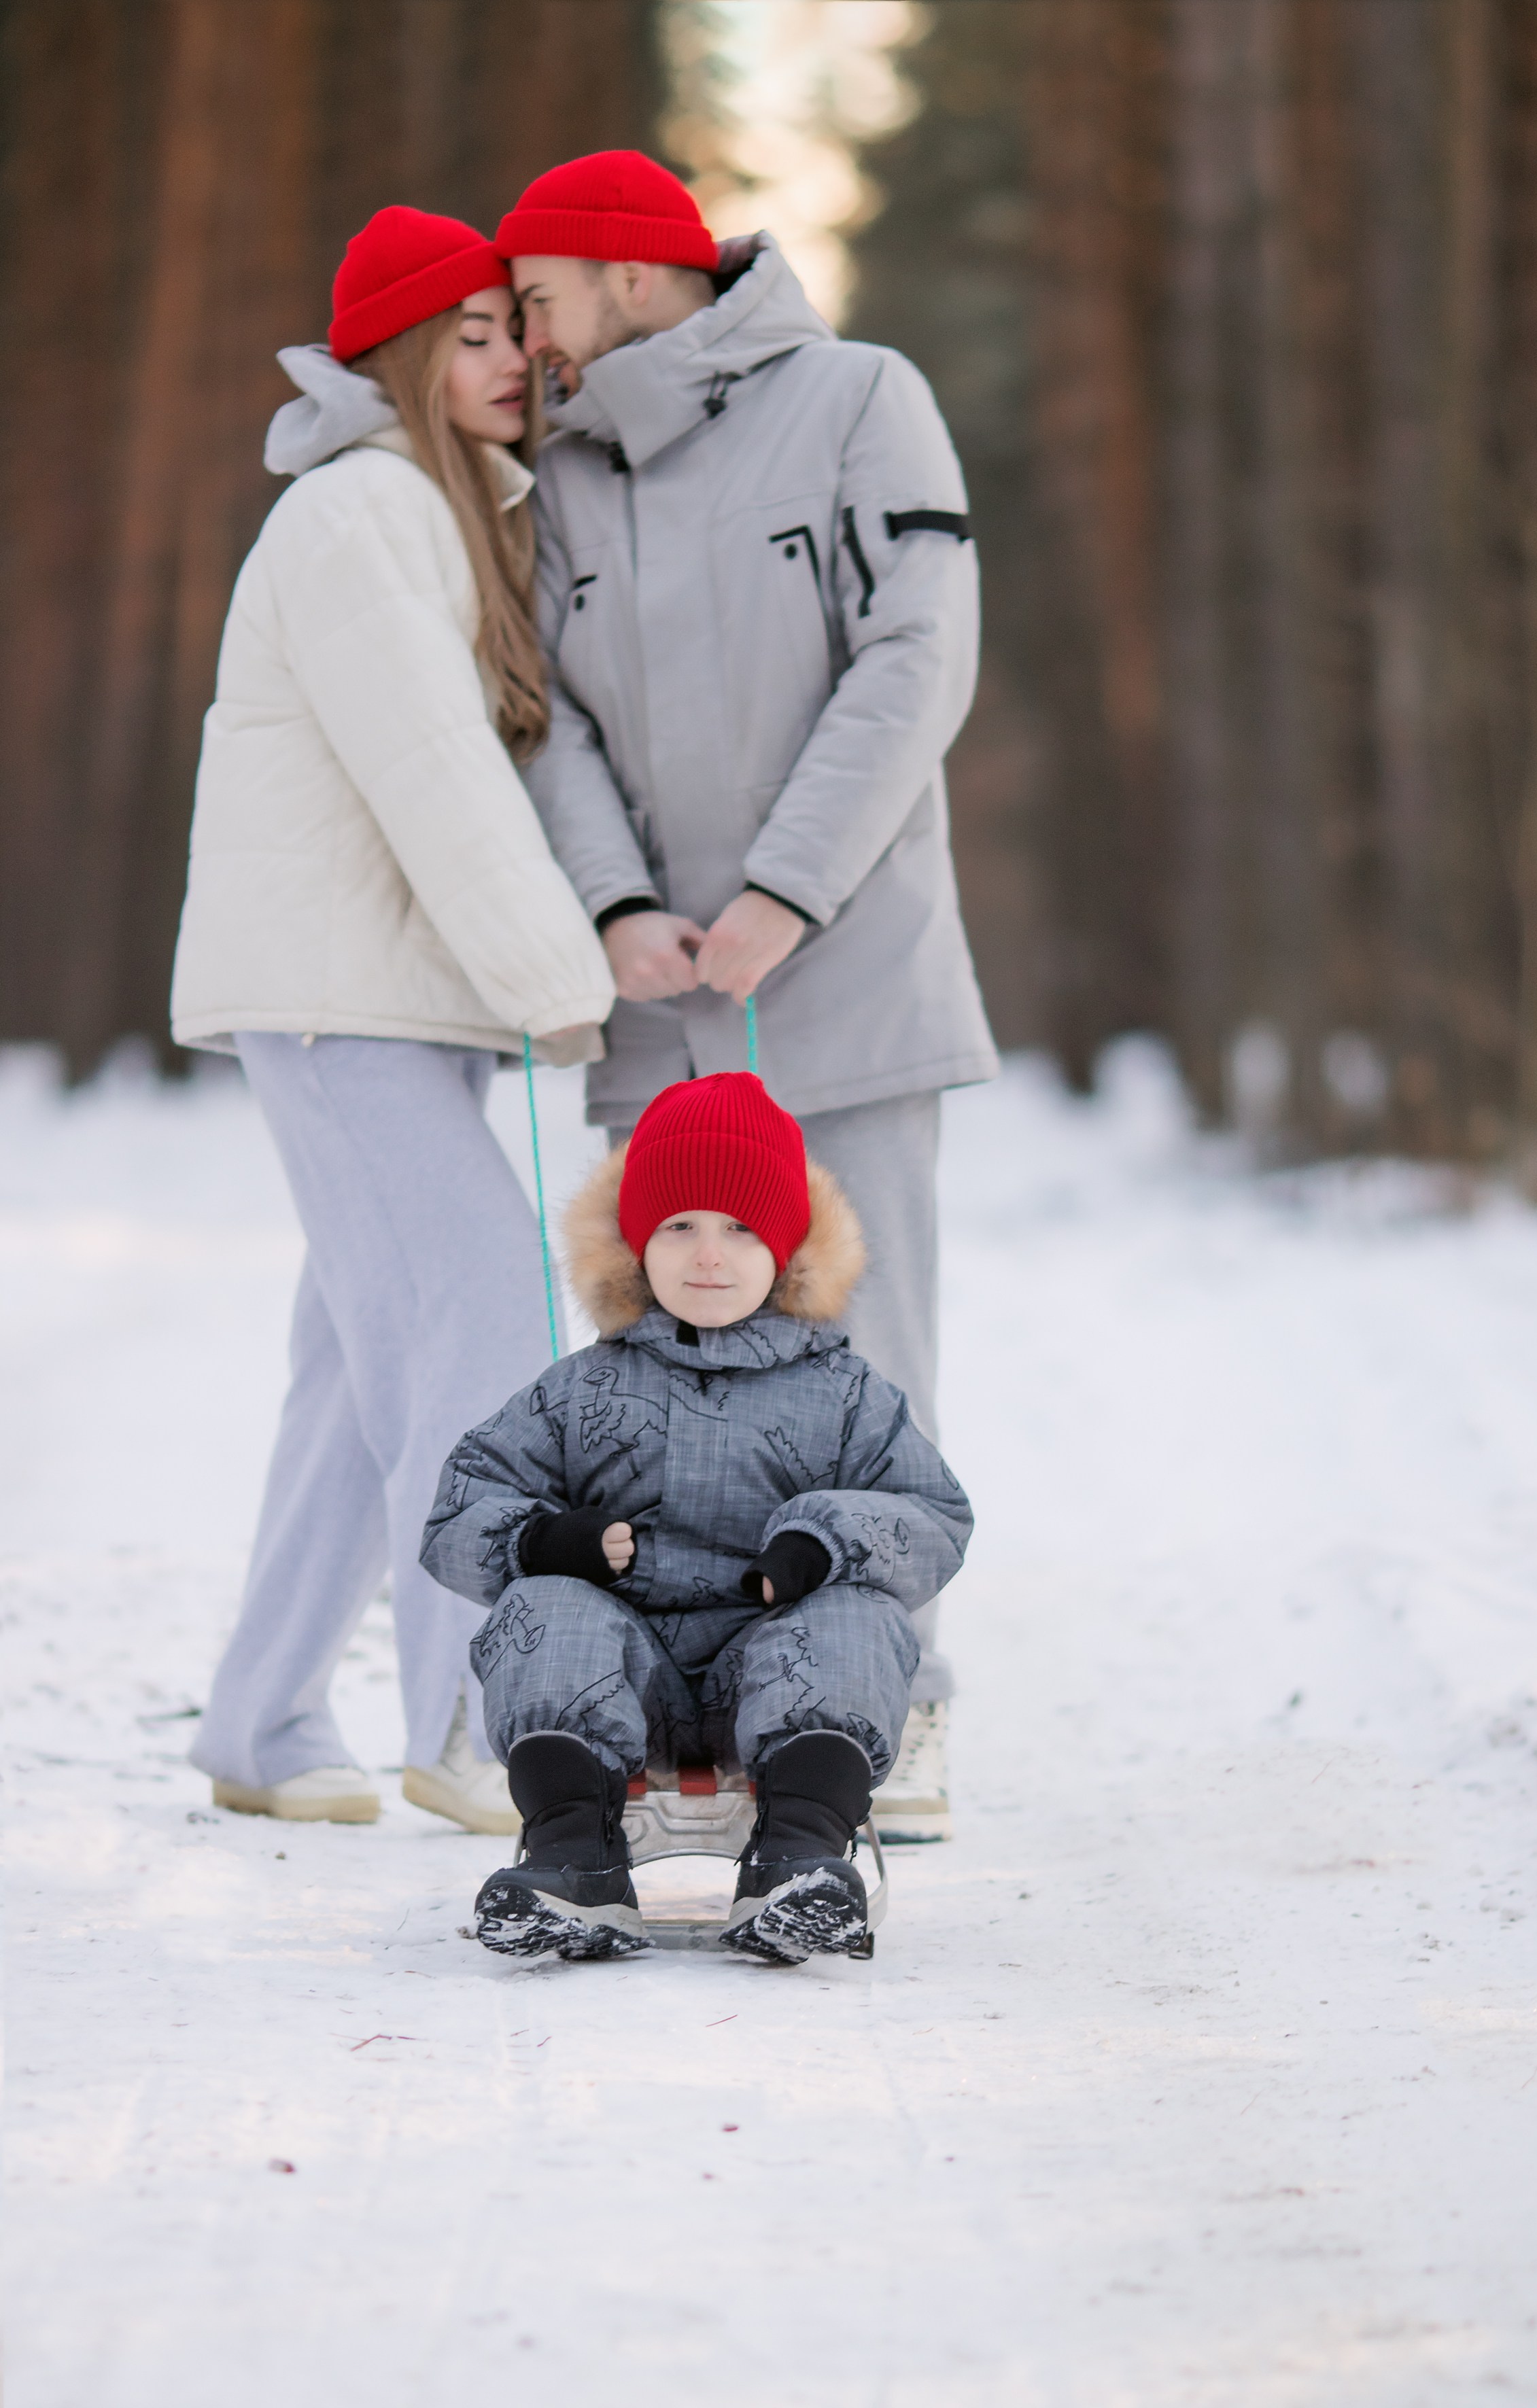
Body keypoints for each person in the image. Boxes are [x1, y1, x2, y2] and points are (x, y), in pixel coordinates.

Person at [496, 151, 1000, 1841]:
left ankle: (892, 1703)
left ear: (629, 271)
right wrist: (619, 905)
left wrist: (787, 887)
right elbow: (545, 717)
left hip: (840, 966)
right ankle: (682, 1724)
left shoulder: (862, 399)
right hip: (659, 997)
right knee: (651, 1366)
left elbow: (915, 655)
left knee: (862, 1346)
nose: (528, 337)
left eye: (542, 296)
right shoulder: (556, 472)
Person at [170, 207, 615, 1832]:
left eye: (522, 328)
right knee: (484, 1300)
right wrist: (565, 987)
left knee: (360, 1367)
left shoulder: (443, 513)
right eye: (479, 333)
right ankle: (473, 1717)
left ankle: (264, 1716)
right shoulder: (364, 511)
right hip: (328, 997)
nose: (517, 359)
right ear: (405, 355)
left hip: (378, 1001)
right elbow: (436, 778)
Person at [421, 1072, 973, 1962]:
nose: (707, 1255)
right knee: (543, 1612)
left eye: (741, 1228)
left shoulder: (845, 1393)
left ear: (790, 1248)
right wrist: (543, 1538)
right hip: (620, 1668)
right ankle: (573, 1860)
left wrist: (825, 1537)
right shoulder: (581, 1389)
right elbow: (459, 1508)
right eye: (678, 1226)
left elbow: (933, 1515)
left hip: (779, 1664)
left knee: (856, 1621)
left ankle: (798, 1858)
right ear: (636, 1243)